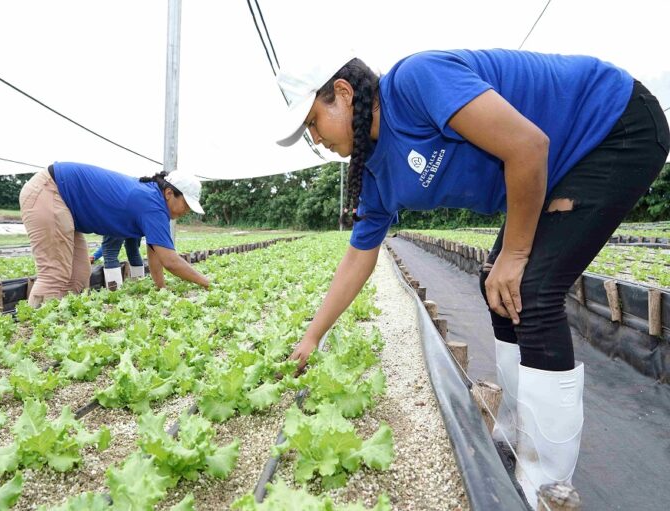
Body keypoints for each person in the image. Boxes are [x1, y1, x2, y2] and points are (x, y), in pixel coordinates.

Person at [275, 49, 669, 507]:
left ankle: (544, 486)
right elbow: (358, 257)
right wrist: (312, 337)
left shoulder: (415, 82)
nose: (314, 138)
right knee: (497, 285)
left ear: (342, 94)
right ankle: (520, 440)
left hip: (611, 125)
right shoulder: (375, 171)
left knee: (533, 291)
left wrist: (517, 252)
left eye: (312, 122)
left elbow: (527, 146)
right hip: (557, 167)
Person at [19, 162, 209, 306]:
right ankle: (39, 330)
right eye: (186, 204)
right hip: (50, 191)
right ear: (169, 193)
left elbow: (157, 254)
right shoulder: (153, 205)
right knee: (55, 275)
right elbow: (171, 261)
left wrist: (161, 289)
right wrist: (207, 283)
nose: (186, 211)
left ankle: (57, 325)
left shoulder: (155, 202)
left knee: (79, 274)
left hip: (61, 198)